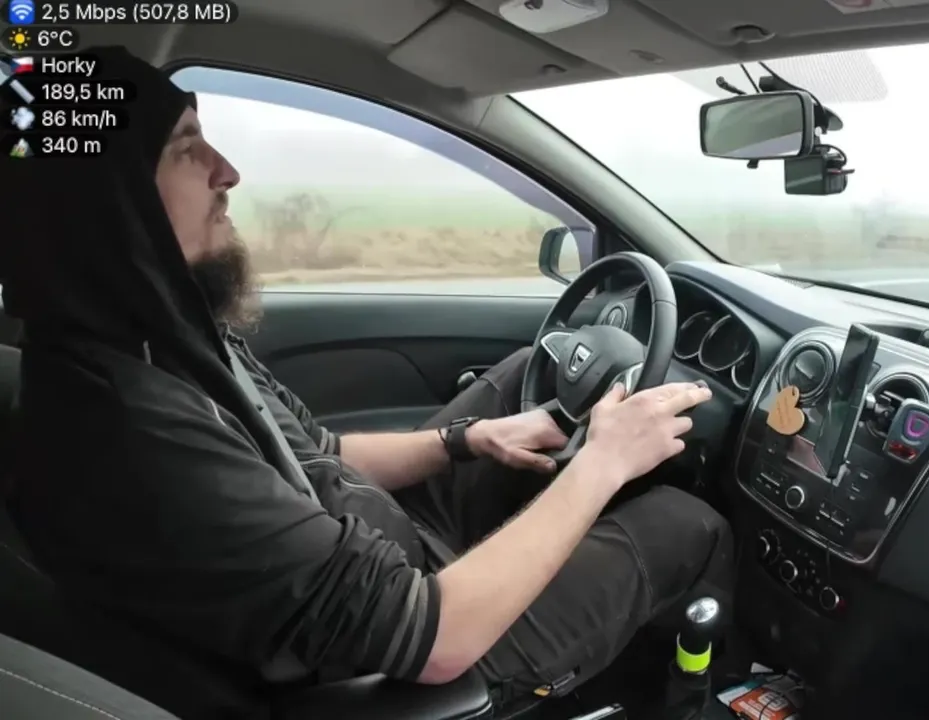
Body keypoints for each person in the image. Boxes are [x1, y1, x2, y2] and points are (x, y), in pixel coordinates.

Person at [0, 46, 734, 716]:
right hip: (402, 663)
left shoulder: (161, 338)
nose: (227, 171)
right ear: (110, 202)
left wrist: (467, 439)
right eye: (186, 149)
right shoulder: (134, 432)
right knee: (688, 526)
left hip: (376, 547)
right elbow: (435, 639)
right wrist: (605, 462)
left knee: (521, 380)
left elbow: (320, 453)